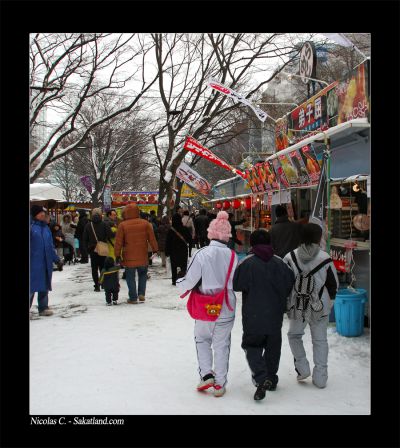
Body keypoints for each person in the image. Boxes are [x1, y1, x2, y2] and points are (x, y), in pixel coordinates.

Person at [177, 211, 238, 397]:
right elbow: (235, 281)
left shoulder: (202, 254)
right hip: (226, 305)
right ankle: (220, 383)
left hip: (205, 305)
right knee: (222, 344)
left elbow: (189, 280)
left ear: (211, 233)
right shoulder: (233, 255)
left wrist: (180, 286)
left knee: (202, 339)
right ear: (227, 235)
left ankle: (206, 375)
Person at [233, 229, 295, 401]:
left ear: (252, 243)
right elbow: (290, 282)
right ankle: (271, 379)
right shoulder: (280, 262)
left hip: (253, 314)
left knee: (252, 345)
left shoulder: (247, 262)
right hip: (275, 314)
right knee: (273, 347)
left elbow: (237, 284)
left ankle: (261, 378)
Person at [283, 223, 339, 389]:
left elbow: (285, 284)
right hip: (319, 306)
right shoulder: (325, 257)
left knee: (294, 336)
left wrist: (288, 303)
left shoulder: (289, 257)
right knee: (320, 340)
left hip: (298, 306)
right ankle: (320, 377)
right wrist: (329, 303)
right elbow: (333, 285)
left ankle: (302, 367)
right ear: (318, 237)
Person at [114, 203, 158, 304]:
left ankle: (133, 297)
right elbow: (152, 238)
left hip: (129, 256)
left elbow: (118, 242)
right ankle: (141, 293)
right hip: (142, 254)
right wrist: (155, 249)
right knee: (143, 274)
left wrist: (117, 255)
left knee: (130, 277)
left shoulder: (122, 225)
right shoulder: (145, 223)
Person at [30, 205, 63, 317]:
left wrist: (57, 260)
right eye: (40, 213)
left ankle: (43, 308)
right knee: (31, 286)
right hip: (33, 262)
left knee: (44, 285)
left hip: (45, 262)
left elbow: (50, 247)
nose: (43, 214)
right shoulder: (31, 227)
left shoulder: (46, 228)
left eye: (43, 213)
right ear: (35, 214)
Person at [82, 208, 114, 292]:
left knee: (94, 268)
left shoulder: (88, 225)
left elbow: (85, 238)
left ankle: (96, 285)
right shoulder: (104, 224)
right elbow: (110, 235)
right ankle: (103, 283)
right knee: (103, 267)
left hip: (92, 249)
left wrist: (86, 249)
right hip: (102, 248)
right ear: (100, 215)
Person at [165, 214, 191, 286]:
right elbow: (190, 239)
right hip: (183, 250)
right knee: (183, 266)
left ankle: (174, 280)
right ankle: (183, 279)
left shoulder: (171, 230)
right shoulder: (185, 229)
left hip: (173, 251)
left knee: (174, 267)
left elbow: (168, 242)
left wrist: (167, 252)